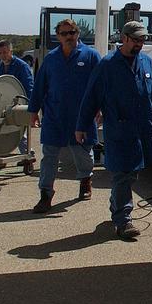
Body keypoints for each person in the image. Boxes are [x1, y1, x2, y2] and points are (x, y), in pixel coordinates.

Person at [76, 20, 152, 239]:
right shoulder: (107, 65)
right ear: (123, 38)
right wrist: (82, 126)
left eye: (142, 40)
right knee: (122, 174)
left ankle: (116, 204)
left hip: (141, 130)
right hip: (119, 130)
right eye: (136, 40)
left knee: (131, 174)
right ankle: (123, 221)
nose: (140, 44)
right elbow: (90, 98)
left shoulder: (147, 63)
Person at [28, 19, 101, 213]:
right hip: (55, 116)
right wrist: (33, 110)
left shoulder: (91, 56)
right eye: (64, 33)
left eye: (72, 33)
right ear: (58, 36)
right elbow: (40, 85)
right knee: (49, 157)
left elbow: (102, 85)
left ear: (77, 34)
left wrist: (100, 108)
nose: (68, 36)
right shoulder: (51, 58)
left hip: (81, 116)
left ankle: (85, 180)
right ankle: (45, 194)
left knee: (83, 153)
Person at [0, 40, 34, 154]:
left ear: (11, 51)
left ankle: (27, 153)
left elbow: (29, 86)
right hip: (3, 103)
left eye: (5, 52)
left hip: (18, 103)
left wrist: (29, 106)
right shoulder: (0, 65)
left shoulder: (22, 66)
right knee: (0, 128)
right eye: (0, 53)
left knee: (17, 130)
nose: (2, 55)